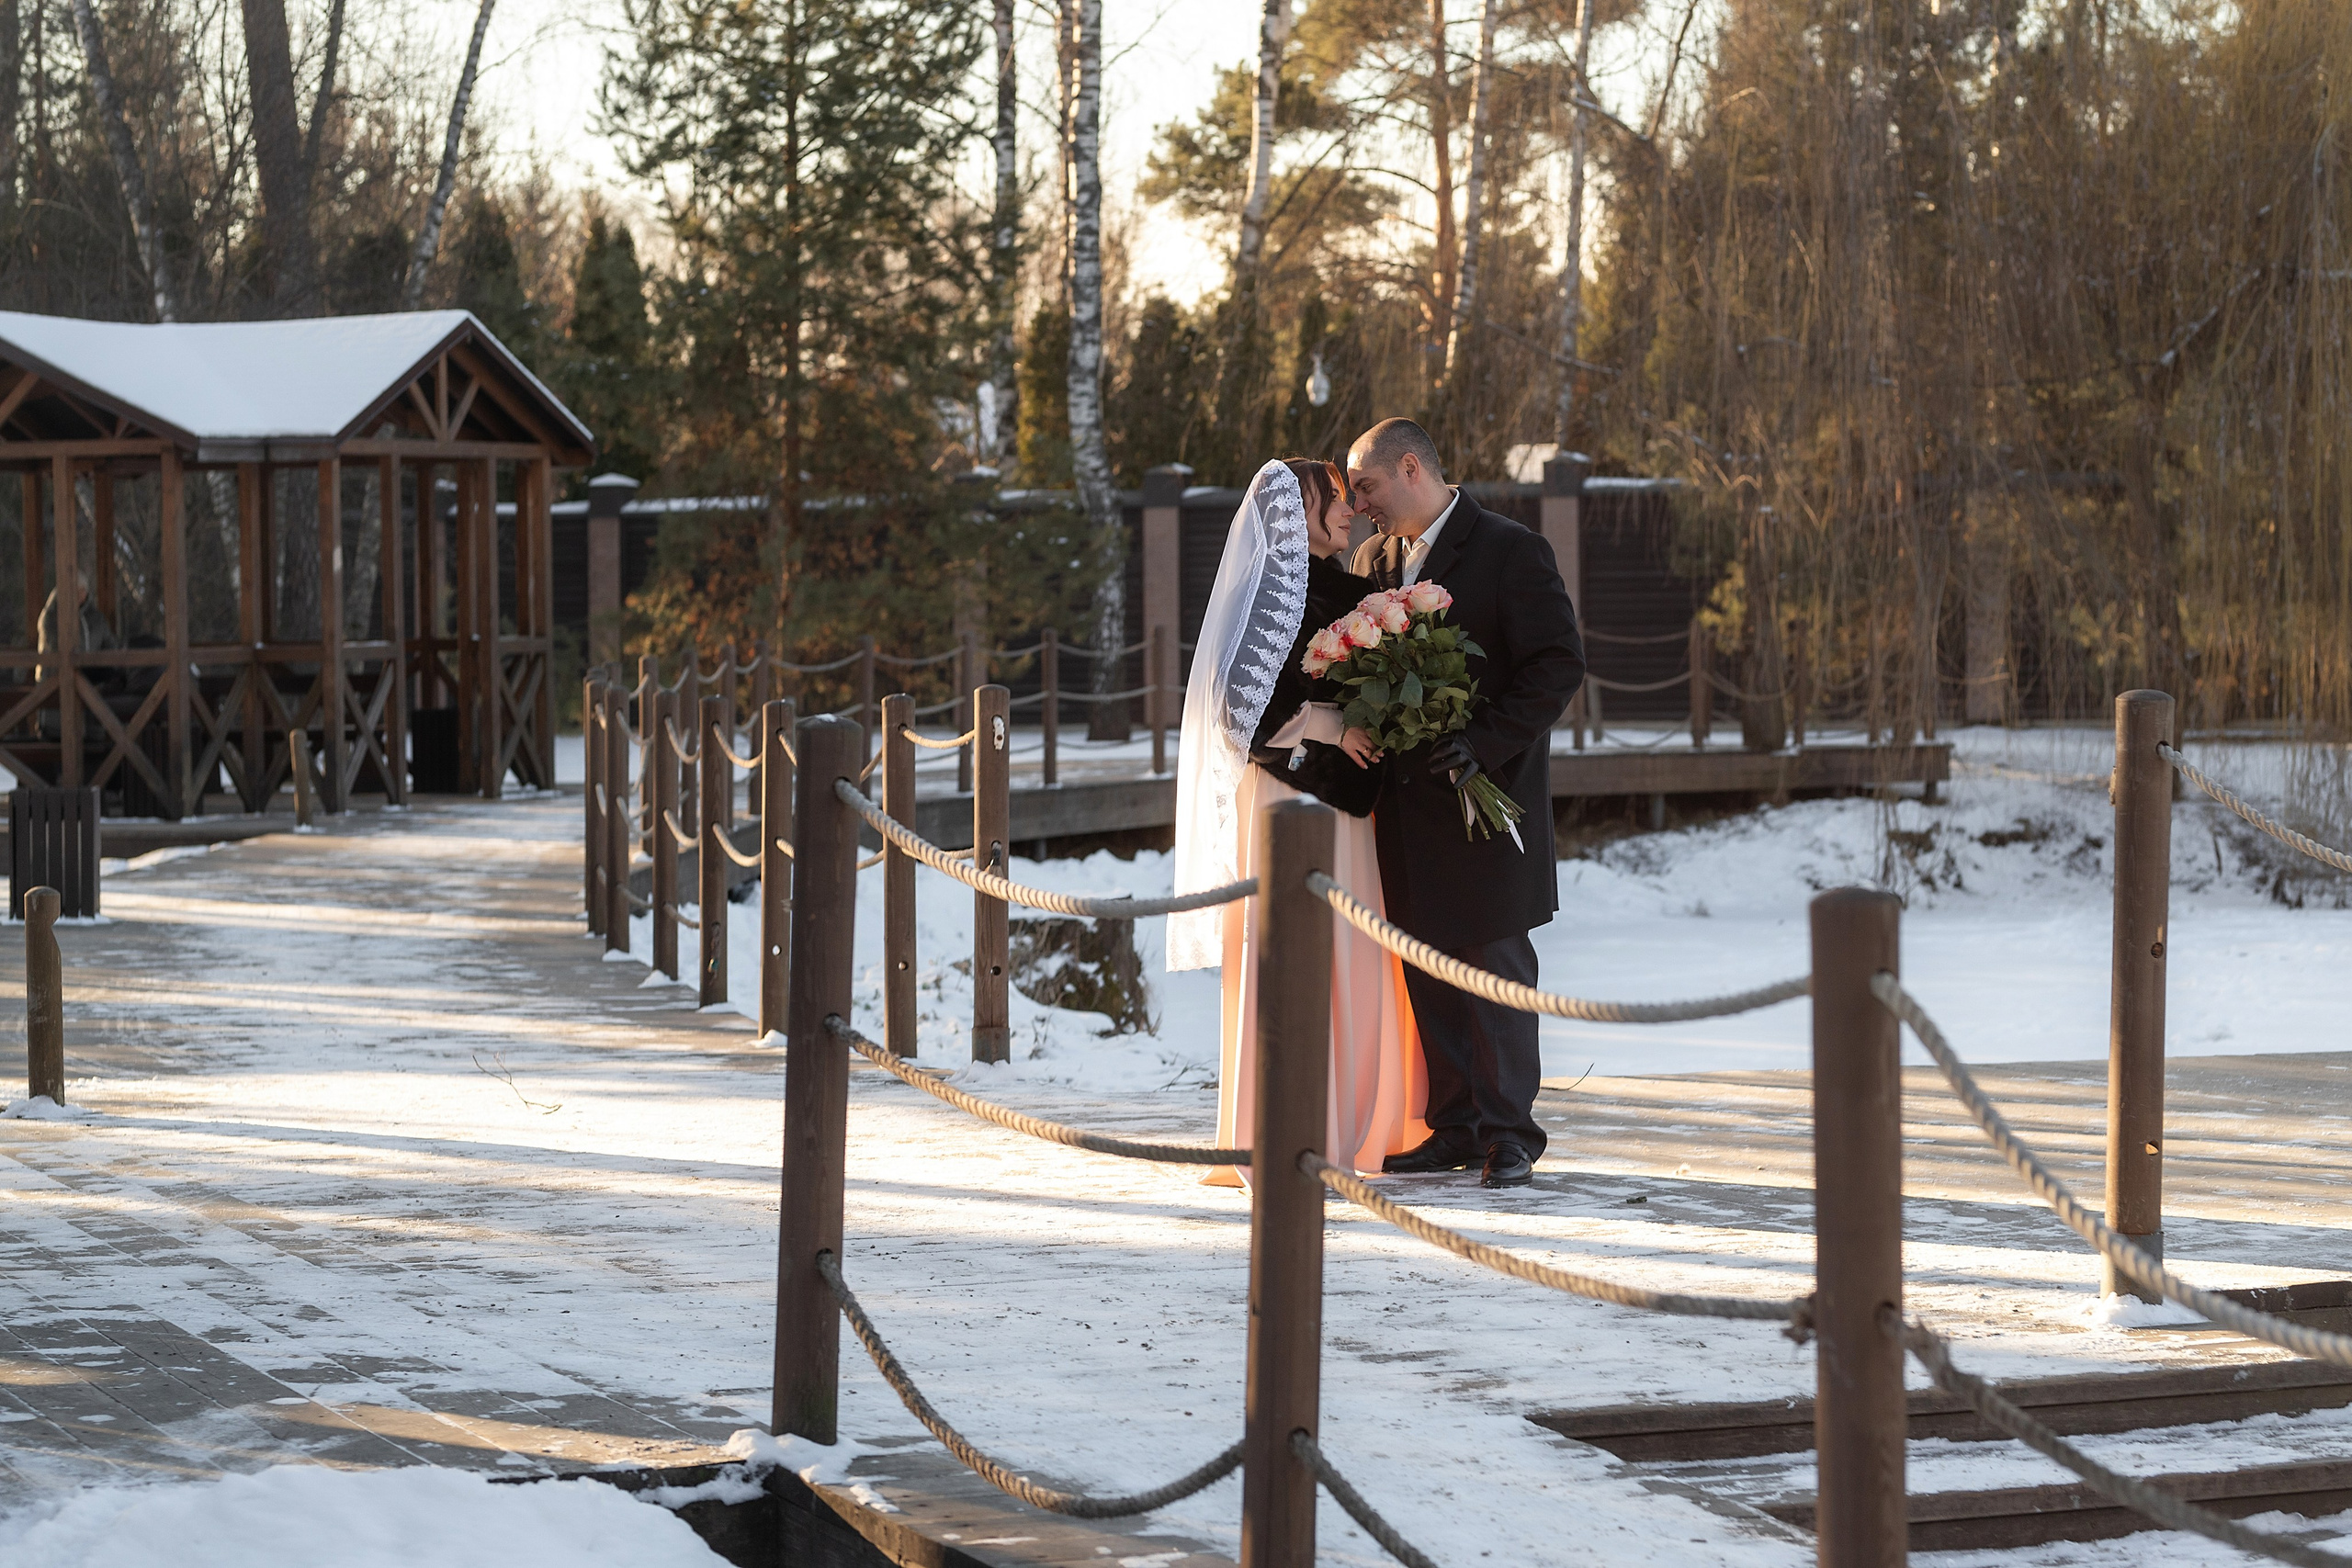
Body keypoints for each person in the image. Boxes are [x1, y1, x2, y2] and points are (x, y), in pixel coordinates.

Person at [1170, 457, 1429, 1187]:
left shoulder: (1354, 591)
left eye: (1349, 499)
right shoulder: (1268, 599)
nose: (1347, 512)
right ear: (1293, 514)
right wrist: (1331, 724)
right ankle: (1291, 1126)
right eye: (1332, 501)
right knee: (1296, 954)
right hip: (1289, 803)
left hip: (1344, 805)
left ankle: (1357, 1119)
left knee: (1351, 952)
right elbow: (1238, 710)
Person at [1346, 418, 1585, 1188]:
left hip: (1488, 799)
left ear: (1410, 467)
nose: (1360, 506)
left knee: (1496, 966)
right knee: (1429, 966)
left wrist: (1483, 743)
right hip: (1407, 810)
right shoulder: (1373, 562)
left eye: (1368, 487)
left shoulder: (1511, 550)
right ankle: (1453, 1125)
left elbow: (1557, 666)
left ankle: (1511, 1132)